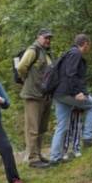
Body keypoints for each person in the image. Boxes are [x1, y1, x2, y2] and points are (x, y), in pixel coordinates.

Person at [49, 33, 92, 164]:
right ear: (85, 44)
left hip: (59, 94)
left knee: (61, 125)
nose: (89, 48)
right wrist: (77, 92)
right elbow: (70, 74)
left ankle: (55, 158)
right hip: (68, 92)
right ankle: (88, 138)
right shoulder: (76, 54)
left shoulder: (68, 53)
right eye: (89, 45)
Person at [17, 28, 53, 169]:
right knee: (33, 128)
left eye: (49, 38)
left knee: (41, 127)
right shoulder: (33, 50)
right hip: (33, 94)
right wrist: (27, 79)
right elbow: (21, 67)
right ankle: (32, 158)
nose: (48, 40)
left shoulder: (46, 52)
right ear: (38, 37)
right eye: (45, 37)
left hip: (44, 95)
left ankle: (38, 154)